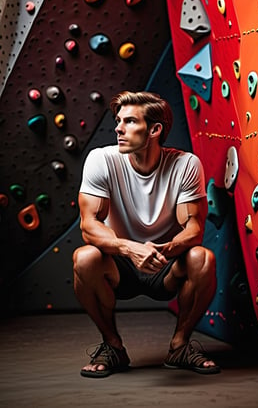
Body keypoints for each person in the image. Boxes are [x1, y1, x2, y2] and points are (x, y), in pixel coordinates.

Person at [73, 90, 220, 378]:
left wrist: (163, 250)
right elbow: (88, 225)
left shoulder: (185, 165)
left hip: (165, 263)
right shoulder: (101, 160)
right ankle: (112, 346)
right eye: (118, 120)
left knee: (202, 259)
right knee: (84, 258)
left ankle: (179, 346)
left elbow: (193, 229)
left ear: (154, 129)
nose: (118, 128)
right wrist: (129, 249)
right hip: (120, 263)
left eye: (129, 121)